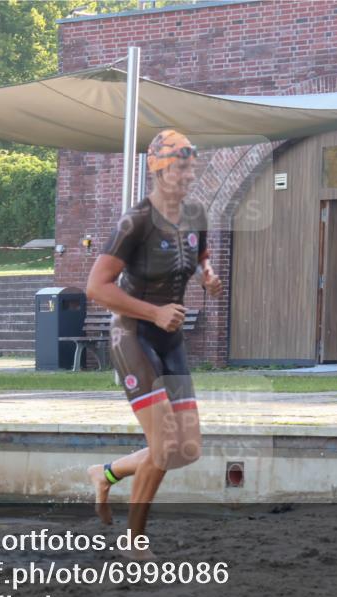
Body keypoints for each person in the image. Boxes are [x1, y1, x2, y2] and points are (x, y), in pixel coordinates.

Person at [85, 129, 222, 559]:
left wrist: (208, 276)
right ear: (159, 169)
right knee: (164, 446)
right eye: (179, 167)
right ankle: (133, 543)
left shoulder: (197, 212)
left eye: (190, 167)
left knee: (187, 448)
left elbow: (199, 256)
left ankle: (105, 473)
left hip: (170, 339)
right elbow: (96, 287)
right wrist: (154, 312)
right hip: (133, 334)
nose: (187, 175)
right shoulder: (136, 221)